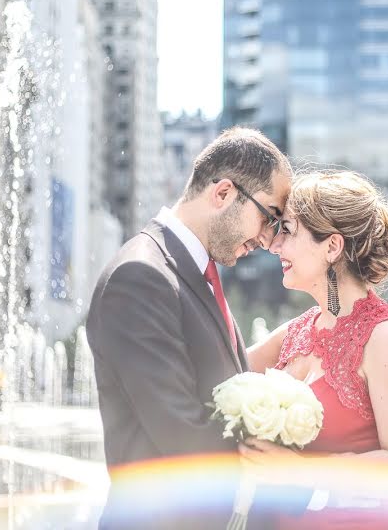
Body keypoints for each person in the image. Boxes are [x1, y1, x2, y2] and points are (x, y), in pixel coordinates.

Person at [86, 128, 293, 530]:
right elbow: (180, 428)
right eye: (268, 217)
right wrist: (286, 471)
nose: (267, 240)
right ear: (223, 194)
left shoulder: (193, 274)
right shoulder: (141, 275)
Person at [246, 170, 388, 529]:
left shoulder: (385, 337)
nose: (275, 246)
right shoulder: (296, 331)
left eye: (289, 231)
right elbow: (220, 372)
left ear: (332, 246)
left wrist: (302, 471)